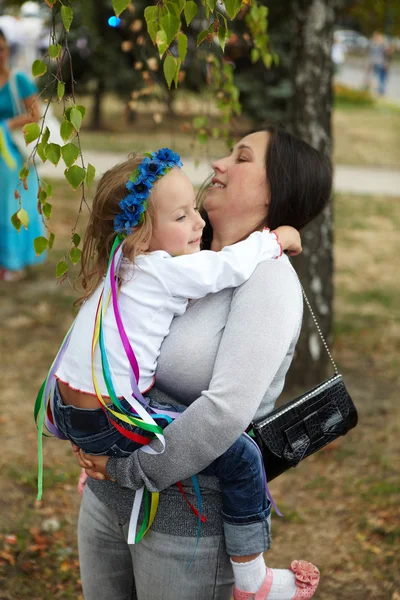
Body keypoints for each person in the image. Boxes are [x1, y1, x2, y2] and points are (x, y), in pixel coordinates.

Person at [73, 127, 332, 600]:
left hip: (182, 529)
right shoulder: (177, 250)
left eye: (242, 158)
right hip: (106, 499)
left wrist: (128, 469)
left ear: (277, 188)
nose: (218, 163)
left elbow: (223, 413)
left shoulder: (267, 281)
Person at [0, 29, 45, 281]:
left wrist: (7, 125)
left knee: (11, 205)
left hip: (12, 156)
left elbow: (34, 114)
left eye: (2, 48)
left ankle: (13, 261)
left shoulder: (19, 81)